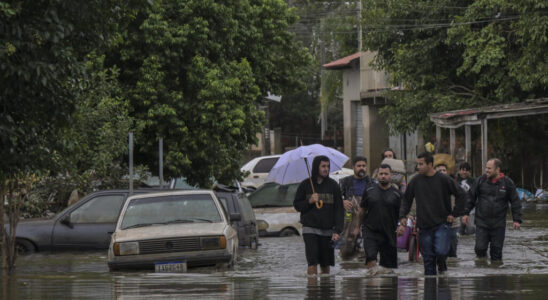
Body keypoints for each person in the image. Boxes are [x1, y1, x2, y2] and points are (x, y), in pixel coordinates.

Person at [397, 152, 467, 275]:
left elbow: (461, 194)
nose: (418, 167)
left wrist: (454, 214)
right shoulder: (415, 181)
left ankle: (442, 271)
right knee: (428, 259)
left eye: (421, 164)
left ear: (430, 164)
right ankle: (430, 287)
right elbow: (406, 199)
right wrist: (403, 215)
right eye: (417, 164)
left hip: (442, 223)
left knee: (440, 251)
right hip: (423, 225)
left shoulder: (444, 179)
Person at [462, 158, 522, 262]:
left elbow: (515, 202)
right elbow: (470, 198)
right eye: (486, 168)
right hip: (482, 222)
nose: (486, 170)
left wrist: (516, 219)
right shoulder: (480, 181)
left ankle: (496, 274)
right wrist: (465, 213)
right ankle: (482, 268)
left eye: (489, 168)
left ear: (497, 170)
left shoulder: (507, 183)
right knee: (480, 249)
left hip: (498, 224)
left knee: (496, 253)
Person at [294, 155, 344, 275]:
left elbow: (339, 209)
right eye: (323, 166)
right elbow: (297, 205)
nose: (326, 169)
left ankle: (325, 290)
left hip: (328, 230)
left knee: (325, 264)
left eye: (327, 166)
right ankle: (313, 291)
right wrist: (309, 201)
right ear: (316, 167)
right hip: (309, 229)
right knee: (312, 262)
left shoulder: (334, 186)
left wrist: (338, 230)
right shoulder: (305, 185)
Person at [356, 164, 402, 269]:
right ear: (377, 175)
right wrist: (357, 228)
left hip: (389, 232)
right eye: (381, 174)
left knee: (388, 268)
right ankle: (371, 283)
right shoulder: (369, 190)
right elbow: (362, 210)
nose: (383, 176)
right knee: (371, 258)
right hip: (370, 231)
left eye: (386, 174)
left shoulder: (397, 194)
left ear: (391, 176)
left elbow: (403, 213)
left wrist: (402, 226)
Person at [338, 156, 372, 259]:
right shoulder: (344, 182)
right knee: (347, 250)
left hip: (367, 220)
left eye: (364, 166)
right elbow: (336, 199)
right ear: (353, 167)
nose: (361, 168)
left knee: (366, 251)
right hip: (349, 219)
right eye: (359, 166)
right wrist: (342, 202)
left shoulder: (372, 182)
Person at [435, 163, 461, 258]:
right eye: (439, 170)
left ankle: (452, 267)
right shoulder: (431, 185)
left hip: (453, 222)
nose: (442, 172)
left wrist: (454, 213)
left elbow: (461, 199)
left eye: (444, 170)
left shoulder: (453, 184)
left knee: (452, 251)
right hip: (437, 222)